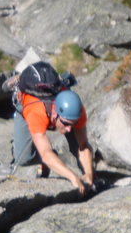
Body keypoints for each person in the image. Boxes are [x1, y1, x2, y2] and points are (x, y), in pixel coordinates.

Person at [10, 67, 96, 196]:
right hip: (27, 105)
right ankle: (51, 158)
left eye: (72, 124)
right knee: (24, 158)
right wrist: (72, 177)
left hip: (56, 105)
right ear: (55, 113)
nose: (69, 129)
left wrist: (89, 174)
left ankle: (88, 180)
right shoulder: (36, 112)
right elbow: (45, 153)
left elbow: (83, 146)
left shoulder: (77, 111)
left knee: (77, 146)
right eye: (66, 124)